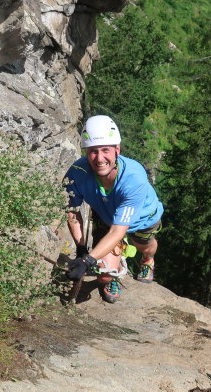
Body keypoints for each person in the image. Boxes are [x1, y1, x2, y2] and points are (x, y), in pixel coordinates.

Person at [63, 115, 163, 303]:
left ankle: (148, 260)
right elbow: (72, 211)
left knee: (145, 246)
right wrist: (82, 248)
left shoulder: (133, 179)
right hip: (107, 215)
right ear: (86, 152)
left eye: (105, 150)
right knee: (104, 275)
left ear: (117, 150)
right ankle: (114, 275)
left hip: (142, 218)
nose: (99, 158)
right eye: (93, 151)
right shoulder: (77, 174)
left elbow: (118, 231)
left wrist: (87, 261)